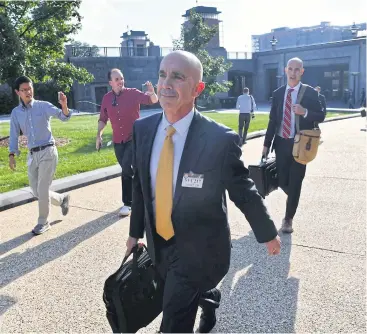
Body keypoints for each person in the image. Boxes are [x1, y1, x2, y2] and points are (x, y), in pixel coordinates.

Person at [126, 50, 281, 333]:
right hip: (159, 242)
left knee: (173, 322)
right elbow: (140, 186)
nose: (165, 83)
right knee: (173, 290)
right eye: (162, 74)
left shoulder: (219, 139)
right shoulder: (143, 129)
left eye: (177, 77)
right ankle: (208, 298)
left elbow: (243, 189)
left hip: (199, 247)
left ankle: (200, 297)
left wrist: (267, 232)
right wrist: (134, 233)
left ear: (197, 89)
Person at [262, 57, 325, 234]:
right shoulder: (278, 93)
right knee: (282, 180)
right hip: (281, 143)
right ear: (285, 70)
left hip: (301, 144)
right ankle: (294, 197)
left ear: (302, 72)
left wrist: (304, 112)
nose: (293, 72)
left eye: (297, 69)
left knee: (296, 181)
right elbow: (273, 121)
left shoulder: (310, 93)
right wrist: (266, 145)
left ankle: (288, 219)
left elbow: (321, 115)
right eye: (290, 69)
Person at [8, 76, 71, 235]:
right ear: (18, 92)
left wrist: (64, 105)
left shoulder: (43, 106)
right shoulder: (16, 113)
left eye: (30, 88)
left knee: (42, 189)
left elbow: (63, 116)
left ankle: (43, 222)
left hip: (48, 151)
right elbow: (14, 134)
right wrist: (12, 154)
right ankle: (62, 199)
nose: (28, 92)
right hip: (32, 154)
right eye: (24, 90)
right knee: (36, 191)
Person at [96, 68, 158, 216]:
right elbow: (103, 119)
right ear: (110, 82)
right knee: (131, 169)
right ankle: (145, 192)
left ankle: (127, 204)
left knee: (126, 168)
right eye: (117, 79)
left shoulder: (133, 93)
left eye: (122, 78)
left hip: (134, 138)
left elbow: (152, 100)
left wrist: (152, 92)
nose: (120, 81)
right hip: (118, 140)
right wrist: (98, 134)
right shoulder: (106, 98)